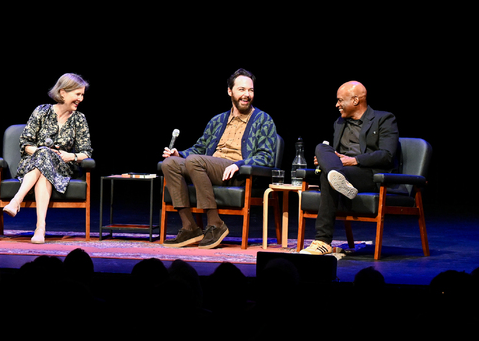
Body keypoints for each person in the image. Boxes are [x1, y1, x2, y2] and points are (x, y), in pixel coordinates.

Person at [161, 68, 278, 249]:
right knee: (169, 163)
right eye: (241, 90)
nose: (246, 95)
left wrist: (240, 164)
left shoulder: (263, 120)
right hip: (206, 168)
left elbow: (266, 156)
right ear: (229, 91)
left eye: (251, 90)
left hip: (236, 173)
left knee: (194, 161)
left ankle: (216, 224)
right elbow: (200, 148)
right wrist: (180, 154)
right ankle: (189, 227)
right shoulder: (217, 120)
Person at [300, 80, 399, 255]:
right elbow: (335, 152)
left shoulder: (384, 119)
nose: (336, 105)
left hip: (369, 174)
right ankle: (335, 174)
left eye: (340, 100)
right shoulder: (339, 123)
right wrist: (326, 160)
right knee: (321, 148)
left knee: (327, 176)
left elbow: (387, 155)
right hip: (343, 171)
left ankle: (322, 241)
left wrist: (354, 160)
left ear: (355, 101)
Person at [3, 73, 93, 244]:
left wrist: (71, 156)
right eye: (77, 94)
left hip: (62, 167)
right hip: (31, 165)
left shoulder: (79, 119)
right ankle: (40, 228)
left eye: (82, 95)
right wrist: (44, 151)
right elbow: (26, 144)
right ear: (63, 92)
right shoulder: (41, 111)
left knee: (47, 159)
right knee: (44, 156)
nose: (80, 99)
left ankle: (16, 201)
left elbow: (86, 152)